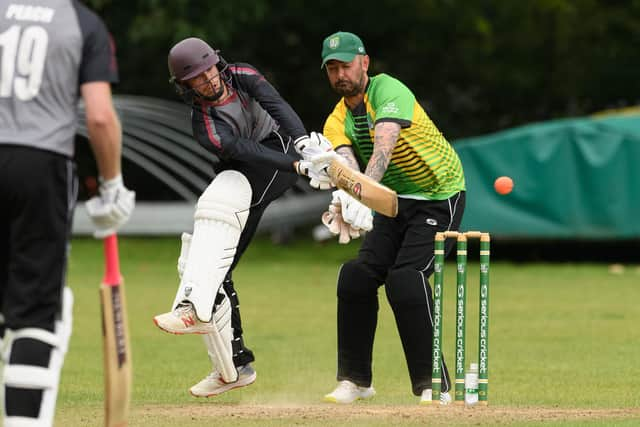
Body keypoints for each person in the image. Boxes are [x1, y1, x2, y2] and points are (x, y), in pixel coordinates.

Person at [153, 37, 334, 398]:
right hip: (251, 167)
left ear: (216, 63)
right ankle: (233, 367)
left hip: (276, 153)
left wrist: (302, 145)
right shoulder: (204, 124)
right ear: (186, 86)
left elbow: (276, 105)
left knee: (211, 251)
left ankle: (193, 307)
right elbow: (243, 150)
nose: (208, 80)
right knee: (204, 264)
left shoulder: (242, 75)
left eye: (209, 70)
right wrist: (298, 165)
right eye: (197, 78)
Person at [0, 1, 135, 426]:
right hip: (40, 166)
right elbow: (98, 116)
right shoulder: (83, 24)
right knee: (37, 313)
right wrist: (112, 184)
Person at [318, 31, 466, 405]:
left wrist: (363, 194)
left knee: (405, 279)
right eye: (332, 68)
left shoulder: (388, 90)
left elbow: (384, 143)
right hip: (392, 203)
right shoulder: (335, 120)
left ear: (364, 63)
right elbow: (348, 167)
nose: (340, 74)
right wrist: (348, 198)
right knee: (356, 276)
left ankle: (435, 384)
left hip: (438, 195)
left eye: (346, 65)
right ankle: (355, 380)